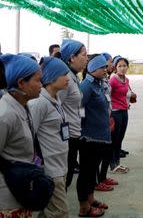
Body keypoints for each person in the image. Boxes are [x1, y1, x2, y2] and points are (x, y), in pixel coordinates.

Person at [0, 54, 42, 218]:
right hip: (7, 198)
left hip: (21, 189)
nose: (41, 85)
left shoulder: (24, 106)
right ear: (21, 83)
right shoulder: (5, 115)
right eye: (38, 80)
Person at [28, 57, 70, 217]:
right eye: (63, 74)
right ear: (52, 77)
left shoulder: (55, 99)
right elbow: (29, 135)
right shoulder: (38, 103)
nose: (67, 79)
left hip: (60, 163)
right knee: (60, 212)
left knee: (49, 211)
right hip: (50, 168)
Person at [78, 55, 110, 217]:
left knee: (92, 171)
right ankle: (84, 206)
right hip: (89, 137)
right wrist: (85, 124)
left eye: (106, 67)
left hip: (100, 135)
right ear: (92, 69)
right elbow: (79, 108)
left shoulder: (99, 84)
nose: (105, 69)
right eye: (102, 67)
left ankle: (90, 198)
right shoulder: (86, 86)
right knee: (86, 171)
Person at [57, 39, 88, 190]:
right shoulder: (65, 79)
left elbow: (78, 103)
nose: (87, 58)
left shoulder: (75, 77)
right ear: (71, 58)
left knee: (67, 178)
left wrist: (81, 118)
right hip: (66, 137)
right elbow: (56, 107)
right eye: (84, 55)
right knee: (65, 178)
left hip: (75, 133)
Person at [95, 53, 118, 191]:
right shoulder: (89, 85)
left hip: (107, 119)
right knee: (97, 156)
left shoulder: (105, 79)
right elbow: (82, 106)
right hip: (97, 125)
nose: (111, 64)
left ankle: (103, 177)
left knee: (107, 151)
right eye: (109, 62)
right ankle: (97, 181)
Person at [109, 57, 135, 173]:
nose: (122, 68)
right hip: (115, 112)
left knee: (120, 138)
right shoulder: (113, 80)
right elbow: (107, 95)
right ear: (115, 67)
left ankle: (117, 163)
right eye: (119, 66)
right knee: (114, 139)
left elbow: (127, 94)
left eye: (124, 65)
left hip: (124, 110)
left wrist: (128, 102)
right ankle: (112, 164)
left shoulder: (126, 80)